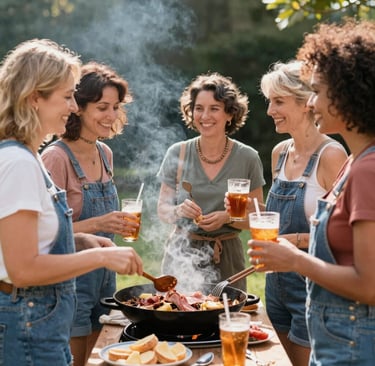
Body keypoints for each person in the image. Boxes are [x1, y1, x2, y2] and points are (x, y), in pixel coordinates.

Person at [0, 39, 143, 366]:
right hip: (27, 323)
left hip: (40, 320)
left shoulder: (28, 157)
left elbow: (26, 241)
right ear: (35, 97)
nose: (73, 107)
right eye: (67, 97)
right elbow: (21, 269)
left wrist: (76, 239)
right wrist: (99, 257)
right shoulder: (19, 162)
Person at [248, 19, 375, 365]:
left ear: (348, 94)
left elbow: (370, 285)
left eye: (318, 91)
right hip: (334, 339)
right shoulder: (356, 163)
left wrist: (294, 259)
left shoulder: (366, 170)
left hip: (352, 348)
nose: (312, 101)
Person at [41, 61, 135, 366]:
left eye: (116, 107)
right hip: (70, 280)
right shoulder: (56, 158)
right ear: (78, 108)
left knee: (99, 357)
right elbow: (47, 233)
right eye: (102, 107)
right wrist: (99, 222)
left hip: (105, 280)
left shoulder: (104, 154)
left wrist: (115, 226)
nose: (111, 116)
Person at [258, 60, 347, 365]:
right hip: (275, 287)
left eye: (278, 102)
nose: (270, 110)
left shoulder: (332, 155)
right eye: (270, 102)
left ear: (307, 103)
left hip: (310, 287)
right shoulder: (279, 153)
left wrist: (293, 241)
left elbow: (341, 240)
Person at [157, 72, 265, 293]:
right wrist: (178, 210)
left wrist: (228, 217)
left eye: (214, 108)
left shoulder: (248, 158)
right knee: (176, 318)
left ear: (229, 114)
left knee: (226, 320)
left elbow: (258, 219)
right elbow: (162, 210)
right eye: (199, 108)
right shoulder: (177, 153)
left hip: (227, 256)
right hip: (181, 253)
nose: (205, 116)